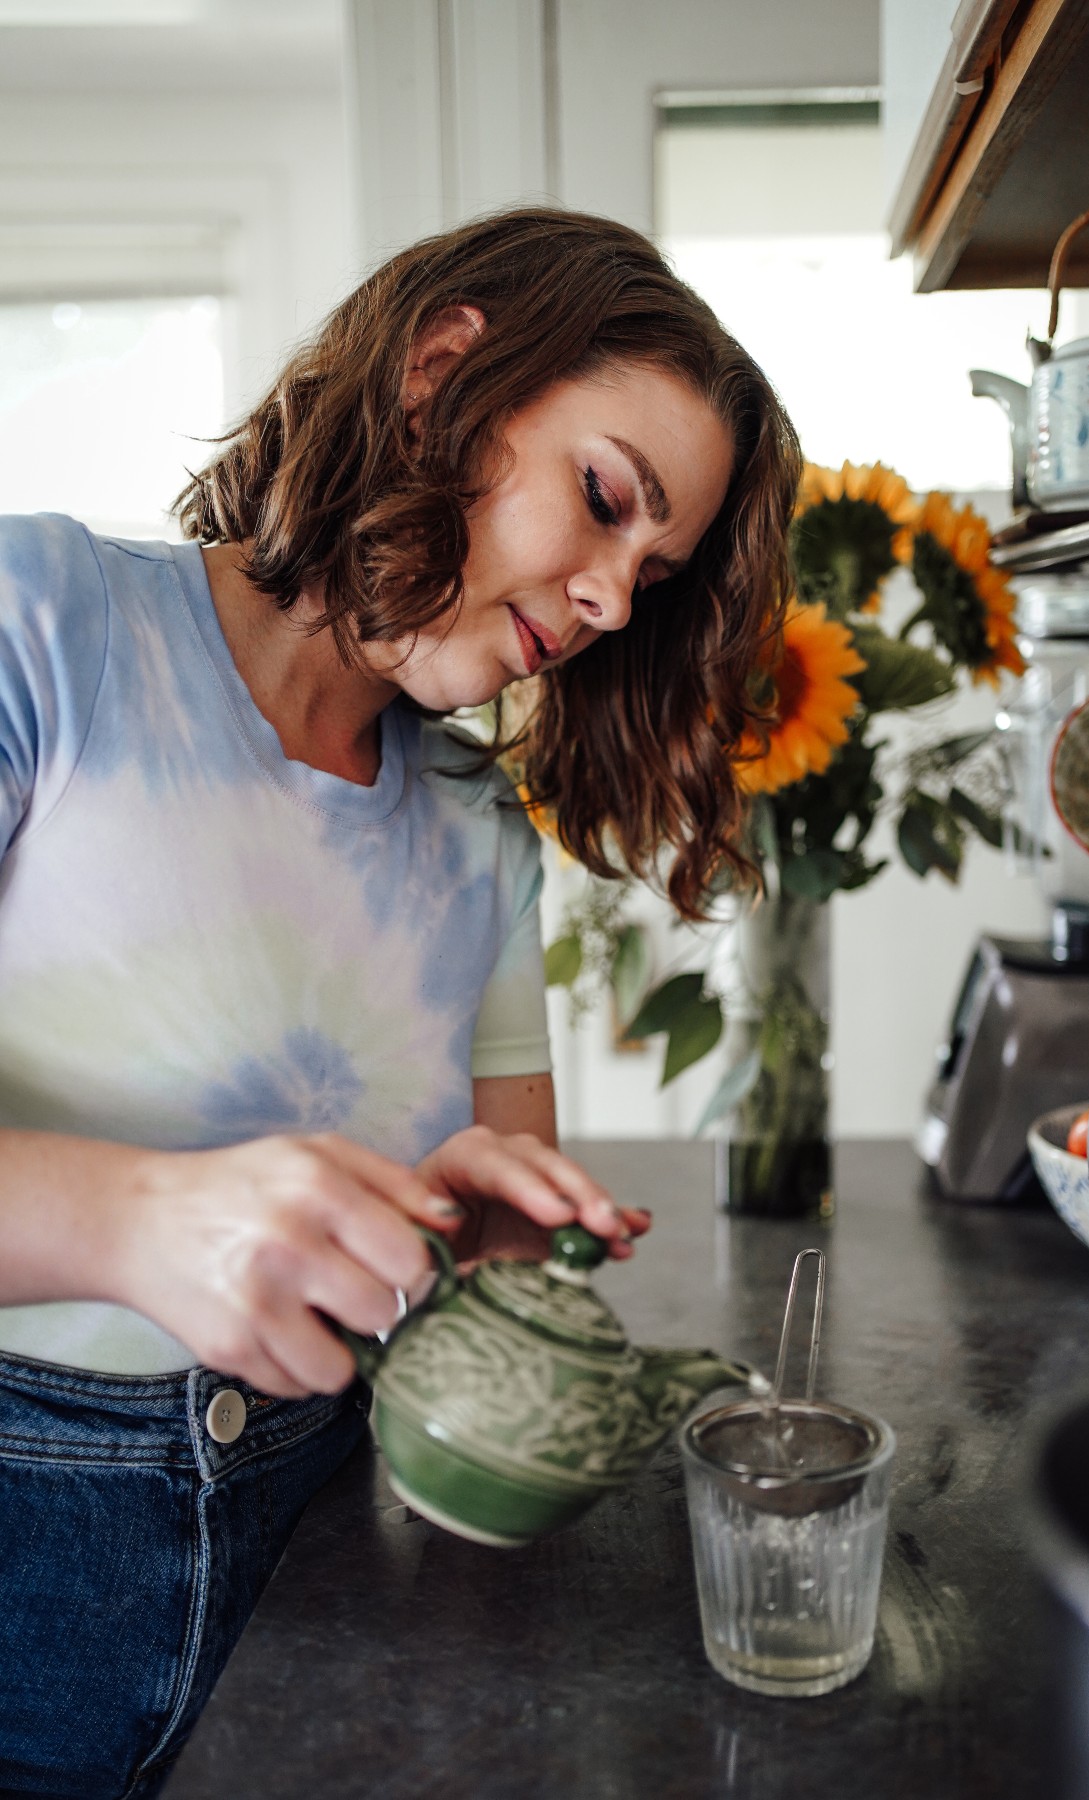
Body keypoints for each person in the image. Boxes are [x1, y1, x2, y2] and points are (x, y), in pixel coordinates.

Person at [0, 205, 800, 1796]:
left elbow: (477, 1258)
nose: (611, 602)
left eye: (655, 570)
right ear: (446, 368)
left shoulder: (478, 826)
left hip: (324, 1576)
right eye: (604, 499)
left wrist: (455, 1238)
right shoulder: (43, 625)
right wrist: (132, 1225)